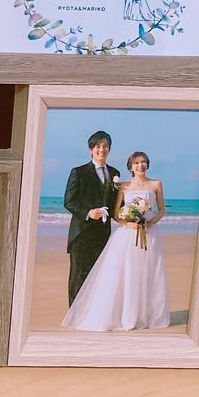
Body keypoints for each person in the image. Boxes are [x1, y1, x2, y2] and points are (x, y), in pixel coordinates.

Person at [63, 151, 170, 331]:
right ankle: (126, 313)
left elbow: (161, 209)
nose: (140, 165)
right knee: (128, 271)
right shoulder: (123, 186)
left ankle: (146, 314)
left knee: (149, 271)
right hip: (128, 234)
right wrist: (128, 223)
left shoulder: (156, 184)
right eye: (136, 163)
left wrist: (150, 222)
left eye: (143, 162)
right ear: (130, 167)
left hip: (150, 234)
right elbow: (116, 212)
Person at [64, 130, 121, 306]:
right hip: (82, 233)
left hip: (103, 233)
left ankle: (92, 311)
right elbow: (69, 202)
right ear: (91, 149)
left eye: (105, 146)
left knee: (99, 275)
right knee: (78, 276)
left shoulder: (115, 173)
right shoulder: (79, 172)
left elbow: (115, 204)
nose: (101, 149)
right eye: (98, 146)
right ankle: (74, 314)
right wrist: (89, 213)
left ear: (109, 149)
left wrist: (132, 216)